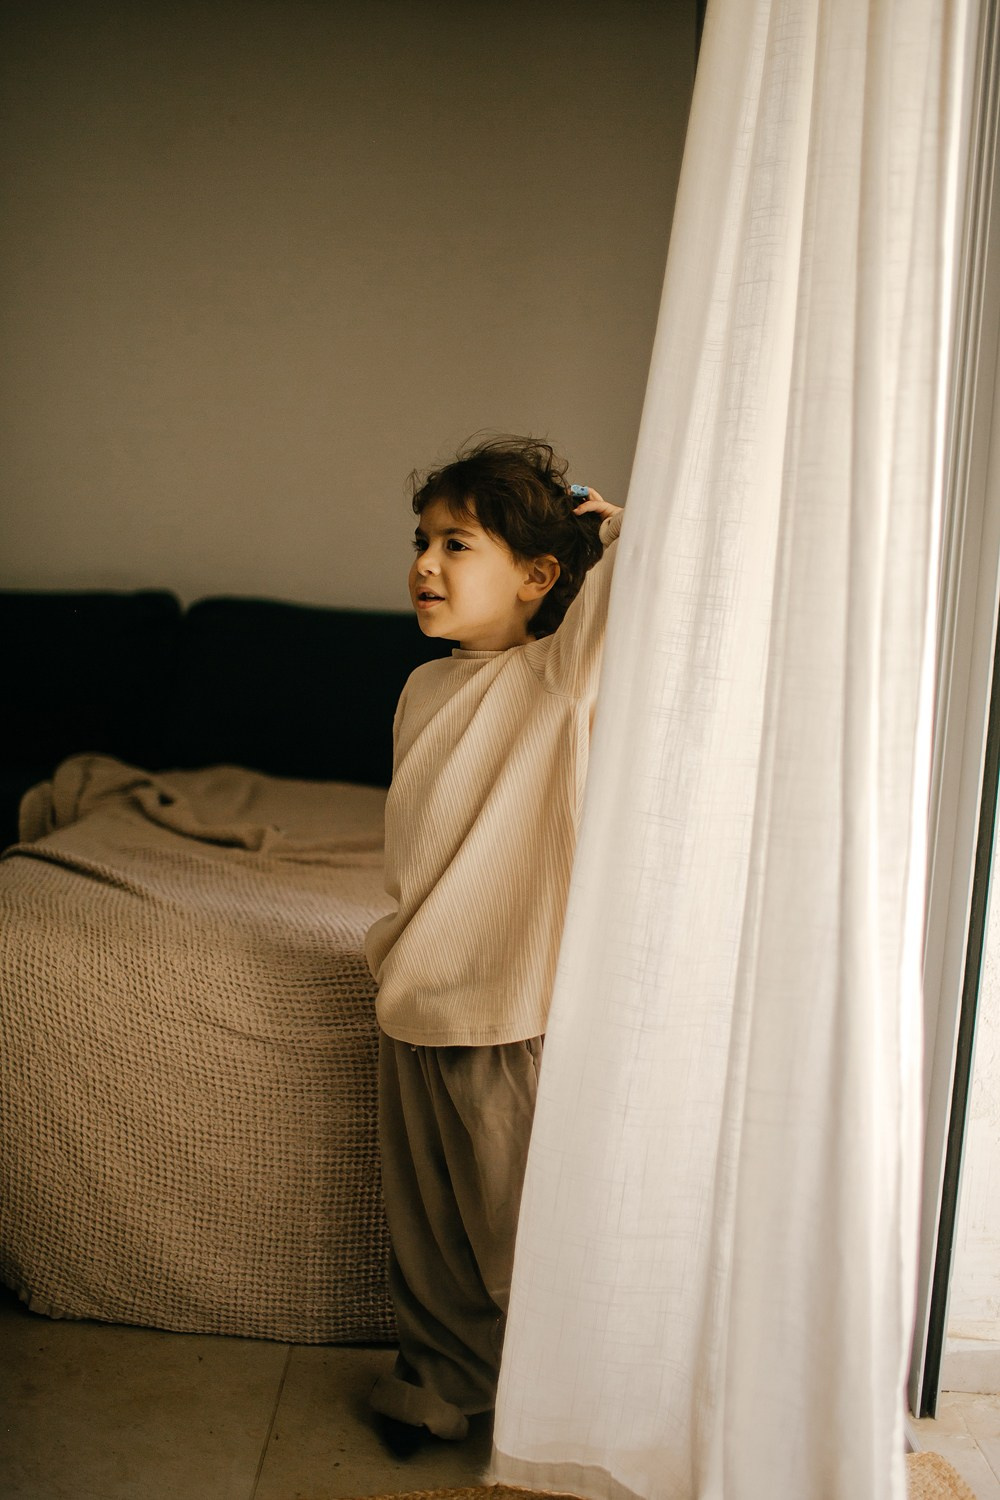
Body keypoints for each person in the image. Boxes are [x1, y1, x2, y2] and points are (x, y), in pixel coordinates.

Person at [364, 434, 623, 1456]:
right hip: (414, 993)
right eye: (422, 541)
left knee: (513, 1223)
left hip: (506, 1005)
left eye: (457, 545)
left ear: (536, 577)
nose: (425, 564)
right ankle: (444, 1383)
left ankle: (565, 1400)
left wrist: (614, 533)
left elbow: (630, 607)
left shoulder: (556, 682)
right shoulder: (422, 687)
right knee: (427, 1228)